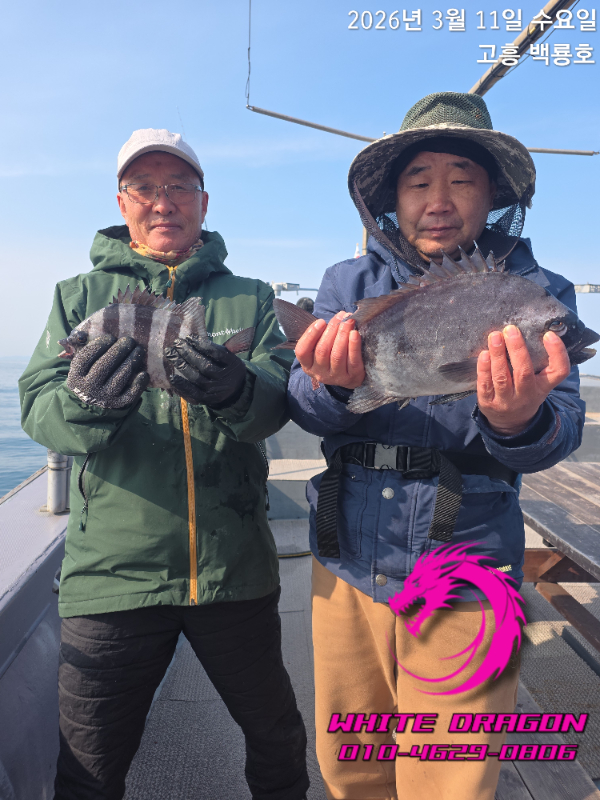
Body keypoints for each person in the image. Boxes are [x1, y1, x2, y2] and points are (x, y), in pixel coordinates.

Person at [287, 92, 585, 800]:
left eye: (461, 179)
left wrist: (517, 421)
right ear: (392, 199)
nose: (439, 199)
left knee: (451, 776)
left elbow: (562, 425)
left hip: (469, 568)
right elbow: (303, 403)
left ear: (495, 193)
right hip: (347, 559)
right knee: (351, 762)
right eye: (419, 181)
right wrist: (331, 387)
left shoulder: (541, 293)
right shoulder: (347, 285)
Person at [19, 128, 309, 800]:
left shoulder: (251, 296)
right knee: (89, 768)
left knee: (277, 739)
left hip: (235, 570)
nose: (162, 201)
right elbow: (39, 408)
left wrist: (236, 390)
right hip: (111, 575)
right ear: (122, 202)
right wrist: (86, 402)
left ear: (204, 201)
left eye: (179, 186)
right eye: (145, 188)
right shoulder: (77, 296)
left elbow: (278, 403)